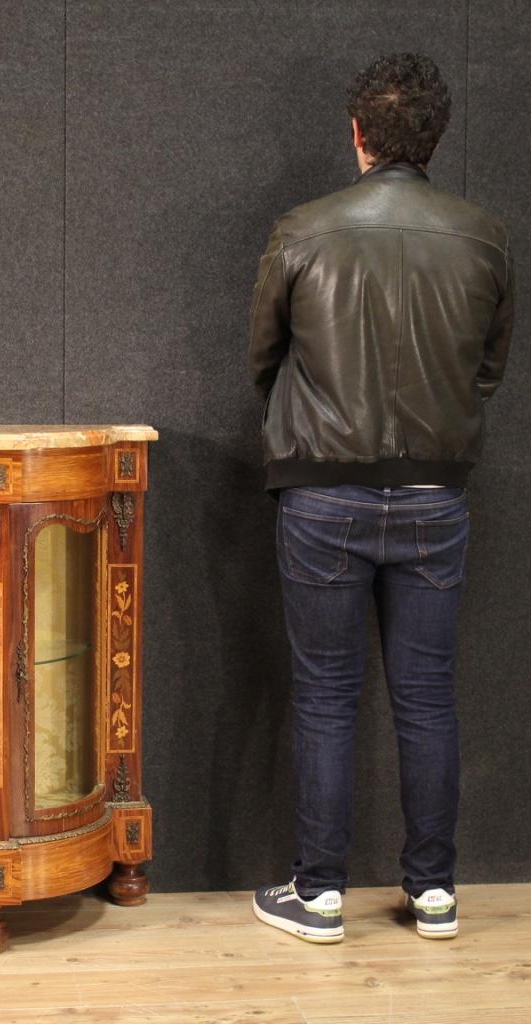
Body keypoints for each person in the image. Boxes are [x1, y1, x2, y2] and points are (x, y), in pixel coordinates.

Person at [247, 52, 515, 943]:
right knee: (428, 697)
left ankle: (318, 895)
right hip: (436, 499)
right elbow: (486, 371)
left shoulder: (305, 229)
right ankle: (434, 893)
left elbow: (264, 358)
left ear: (358, 134)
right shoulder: (482, 237)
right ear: (434, 136)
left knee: (327, 697)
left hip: (322, 497)